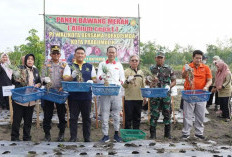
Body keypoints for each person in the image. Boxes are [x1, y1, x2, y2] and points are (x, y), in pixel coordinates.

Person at [63, 47, 97, 142]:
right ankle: (73, 137)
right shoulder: (69, 66)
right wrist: (72, 76)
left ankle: (87, 138)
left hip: (86, 96)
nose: (80, 55)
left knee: (87, 118)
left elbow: (95, 79)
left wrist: (92, 81)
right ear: (75, 55)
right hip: (73, 97)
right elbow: (65, 79)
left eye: (82, 53)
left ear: (85, 55)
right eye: (78, 53)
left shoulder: (90, 66)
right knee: (73, 118)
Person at [42, 45, 70, 142]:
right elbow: (42, 78)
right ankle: (47, 135)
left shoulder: (64, 65)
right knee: (47, 115)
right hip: (48, 92)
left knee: (61, 115)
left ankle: (61, 134)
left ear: (60, 54)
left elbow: (66, 78)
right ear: (50, 54)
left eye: (58, 53)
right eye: (54, 53)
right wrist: (45, 81)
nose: (56, 55)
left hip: (60, 93)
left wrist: (64, 86)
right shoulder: (45, 65)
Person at [182, 50, 212, 140]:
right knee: (188, 114)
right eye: (197, 58)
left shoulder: (206, 68)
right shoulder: (188, 66)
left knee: (200, 114)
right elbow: (183, 76)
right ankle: (186, 133)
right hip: (189, 93)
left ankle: (199, 133)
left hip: (201, 94)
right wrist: (186, 71)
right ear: (193, 58)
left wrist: (206, 86)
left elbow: (210, 80)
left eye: (200, 58)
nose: (198, 60)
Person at [97, 46, 125, 142]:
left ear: (116, 54)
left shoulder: (119, 65)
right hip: (105, 92)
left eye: (113, 52)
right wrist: (102, 76)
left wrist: (119, 83)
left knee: (116, 113)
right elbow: (98, 78)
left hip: (116, 92)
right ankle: (105, 135)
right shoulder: (102, 64)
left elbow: (123, 78)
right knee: (104, 113)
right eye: (110, 52)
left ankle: (117, 134)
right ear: (107, 53)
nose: (111, 54)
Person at [11, 54, 41, 141]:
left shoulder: (35, 70)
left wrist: (38, 85)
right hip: (19, 100)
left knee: (28, 121)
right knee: (17, 121)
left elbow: (39, 81)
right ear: (25, 60)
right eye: (28, 59)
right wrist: (18, 79)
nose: (30, 61)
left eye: (32, 59)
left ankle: (26, 137)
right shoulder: (19, 69)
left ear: (34, 61)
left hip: (30, 100)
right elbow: (12, 80)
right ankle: (14, 137)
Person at [149, 51, 176, 139]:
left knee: (167, 113)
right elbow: (146, 81)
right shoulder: (151, 69)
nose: (160, 59)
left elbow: (174, 81)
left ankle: (167, 134)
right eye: (158, 57)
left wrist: (169, 86)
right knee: (154, 114)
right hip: (155, 95)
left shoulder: (169, 69)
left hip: (166, 95)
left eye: (161, 58)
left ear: (164, 59)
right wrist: (151, 81)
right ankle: (153, 135)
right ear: (155, 58)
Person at [122, 55, 145, 129]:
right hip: (129, 99)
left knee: (137, 118)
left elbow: (143, 85)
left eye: (136, 60)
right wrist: (127, 81)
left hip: (139, 98)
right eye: (132, 60)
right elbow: (123, 86)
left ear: (138, 62)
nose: (134, 62)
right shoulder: (126, 72)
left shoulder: (141, 72)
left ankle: (136, 134)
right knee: (128, 118)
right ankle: (128, 134)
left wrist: (145, 96)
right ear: (129, 62)